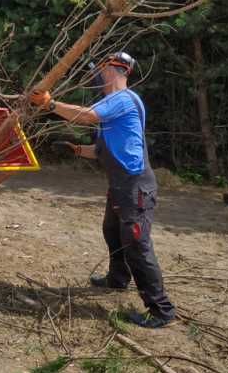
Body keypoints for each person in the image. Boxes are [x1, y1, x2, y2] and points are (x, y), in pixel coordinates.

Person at [31, 52, 176, 328]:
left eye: (100, 69)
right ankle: (117, 279)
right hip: (121, 186)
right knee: (112, 231)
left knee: (137, 246)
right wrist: (76, 150)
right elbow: (101, 150)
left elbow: (86, 117)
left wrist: (50, 105)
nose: (96, 75)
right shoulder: (112, 104)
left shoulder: (122, 99)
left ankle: (161, 310)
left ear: (112, 70)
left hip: (136, 188)